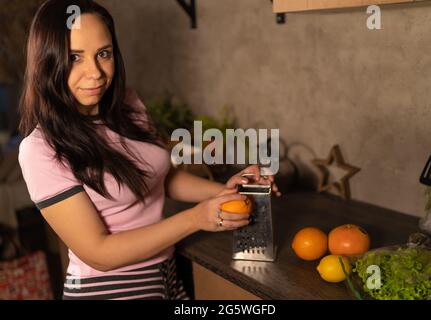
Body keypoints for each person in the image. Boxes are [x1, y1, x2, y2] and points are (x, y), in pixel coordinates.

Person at [17, 0, 280, 300]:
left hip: (165, 276)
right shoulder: (40, 150)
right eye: (74, 57)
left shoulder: (128, 105)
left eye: (103, 54)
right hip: (109, 290)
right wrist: (196, 218)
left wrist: (222, 192)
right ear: (46, 61)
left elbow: (160, 178)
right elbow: (99, 253)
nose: (96, 73)